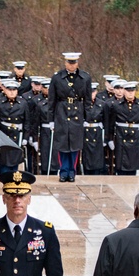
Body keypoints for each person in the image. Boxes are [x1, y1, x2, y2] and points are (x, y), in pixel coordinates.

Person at [47, 52, 93, 182]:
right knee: (62, 144)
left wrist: (86, 118)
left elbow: (88, 100)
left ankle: (72, 171)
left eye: (74, 63)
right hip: (61, 111)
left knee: (75, 145)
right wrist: (50, 120)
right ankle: (63, 171)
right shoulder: (57, 78)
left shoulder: (85, 77)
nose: (71, 65)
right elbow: (52, 100)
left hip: (77, 112)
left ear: (77, 63)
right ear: (65, 63)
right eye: (69, 62)